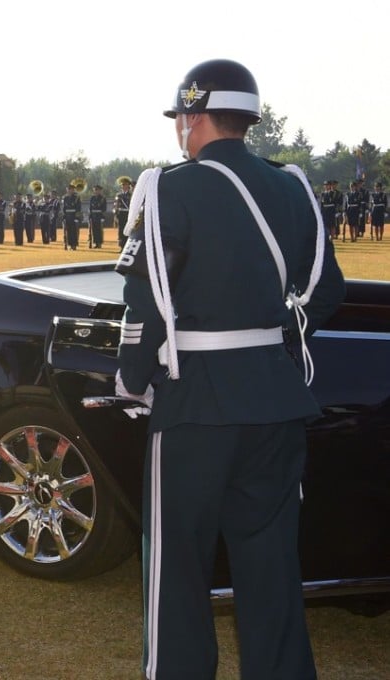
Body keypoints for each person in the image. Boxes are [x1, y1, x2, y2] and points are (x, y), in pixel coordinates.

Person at [114, 59, 345, 680]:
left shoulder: (167, 188)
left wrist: (132, 382)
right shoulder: (292, 185)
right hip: (275, 402)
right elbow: (324, 290)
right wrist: (273, 353)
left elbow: (145, 304)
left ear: (192, 117)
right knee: (271, 568)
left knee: (178, 570)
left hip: (193, 405)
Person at [61, 182, 82, 250]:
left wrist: (77, 217)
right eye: (69, 189)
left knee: (74, 231)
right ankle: (69, 244)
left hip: (74, 216)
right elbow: (63, 208)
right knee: (68, 231)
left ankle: (74, 245)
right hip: (67, 216)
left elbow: (78, 208)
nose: (70, 190)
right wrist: (64, 216)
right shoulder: (65, 198)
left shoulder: (76, 198)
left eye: (72, 189)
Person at [115, 176, 133, 250]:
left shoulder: (132, 194)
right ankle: (122, 246)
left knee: (128, 230)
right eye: (122, 185)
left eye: (125, 185)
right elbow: (115, 205)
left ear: (128, 185)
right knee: (121, 230)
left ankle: (128, 247)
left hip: (128, 214)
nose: (123, 186)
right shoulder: (118, 195)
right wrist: (115, 215)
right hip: (121, 214)